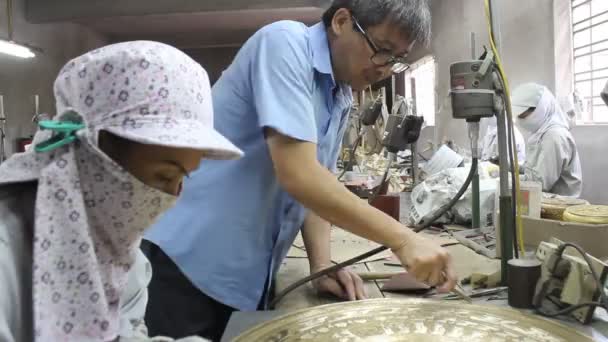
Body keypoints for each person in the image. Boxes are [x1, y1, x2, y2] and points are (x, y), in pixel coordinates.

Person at [143, 1, 456, 340]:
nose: (383, 67)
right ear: (341, 21)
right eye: (382, 50)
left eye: (396, 60)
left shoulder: (340, 96)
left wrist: (321, 264)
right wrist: (403, 239)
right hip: (188, 263)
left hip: (244, 275)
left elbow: (317, 185)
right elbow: (299, 174)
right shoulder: (285, 44)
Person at [0, 41, 242, 342]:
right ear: (94, 155)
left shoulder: (116, 248)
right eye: (163, 176)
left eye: (183, 179)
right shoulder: (8, 254)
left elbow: (118, 333)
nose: (172, 196)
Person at [512, 82, 582, 197]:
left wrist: (508, 181)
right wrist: (511, 167)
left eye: (524, 116)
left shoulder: (554, 136)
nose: (521, 121)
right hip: (547, 200)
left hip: (559, 207)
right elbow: (533, 169)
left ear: (541, 108)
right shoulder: (541, 132)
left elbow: (540, 183)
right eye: (519, 117)